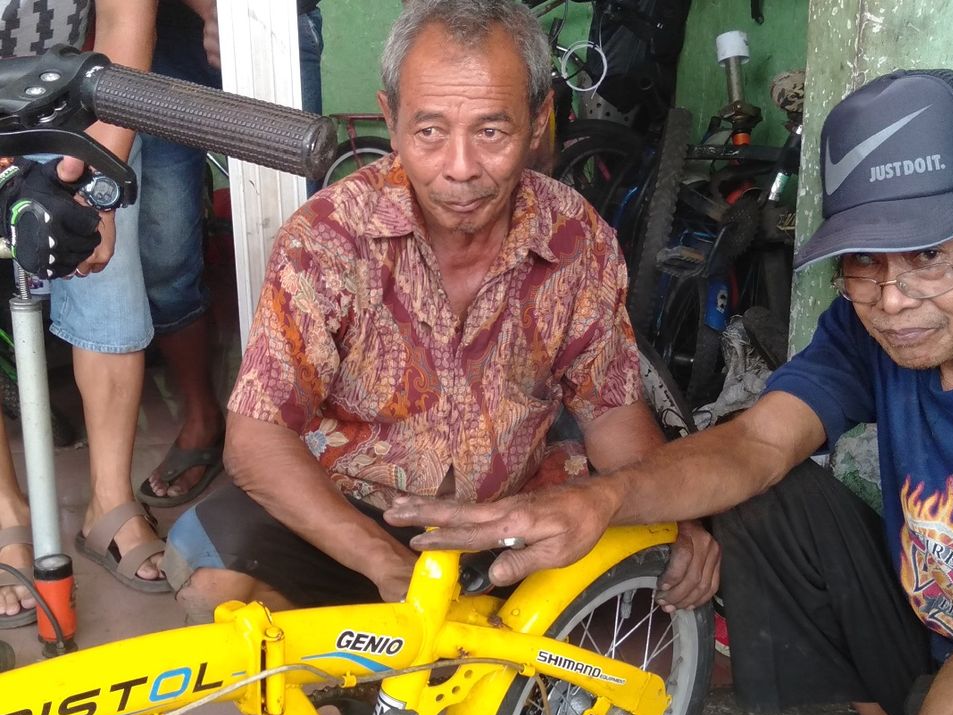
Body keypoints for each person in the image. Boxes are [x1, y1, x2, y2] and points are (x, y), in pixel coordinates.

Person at [385, 69, 953, 715]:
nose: (891, 299)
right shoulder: (872, 328)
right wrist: (603, 499)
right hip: (938, 644)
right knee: (765, 499)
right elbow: (754, 446)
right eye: (863, 262)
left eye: (928, 256)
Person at [161, 0, 718, 620]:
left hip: (513, 516)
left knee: (645, 606)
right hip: (354, 511)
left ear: (538, 124)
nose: (459, 168)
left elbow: (611, 408)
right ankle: (348, 704)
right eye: (429, 131)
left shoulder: (575, 240)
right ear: (390, 120)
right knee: (217, 580)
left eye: (491, 131)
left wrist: (675, 520)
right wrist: (383, 562)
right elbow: (258, 435)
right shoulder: (326, 238)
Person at [0, 0, 168, 628]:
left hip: (77, 97)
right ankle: (5, 513)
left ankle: (108, 503)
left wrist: (95, 175)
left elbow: (128, 19)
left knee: (107, 286)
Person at [135, 0, 325, 510]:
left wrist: (239, 17)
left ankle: (285, 426)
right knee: (165, 256)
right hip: (163, 35)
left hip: (275, 22)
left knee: (290, 248)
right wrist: (213, 10)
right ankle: (204, 417)